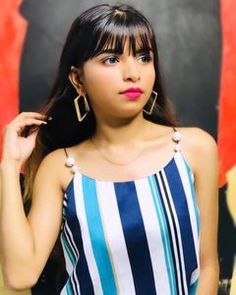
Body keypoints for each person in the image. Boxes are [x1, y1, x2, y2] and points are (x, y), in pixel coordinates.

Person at [0, 3, 219, 295]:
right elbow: (19, 276)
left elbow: (207, 266)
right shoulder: (62, 168)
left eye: (143, 57)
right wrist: (10, 165)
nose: (133, 73)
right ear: (78, 79)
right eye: (112, 59)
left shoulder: (195, 149)